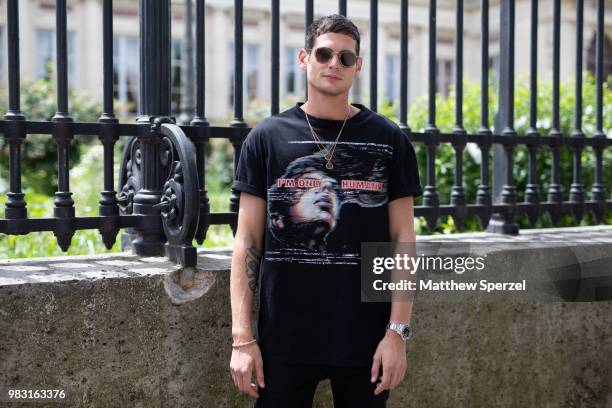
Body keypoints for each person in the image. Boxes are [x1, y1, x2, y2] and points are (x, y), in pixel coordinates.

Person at [229, 13, 422, 408]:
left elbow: (403, 239)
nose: (334, 64)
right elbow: (247, 240)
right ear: (304, 58)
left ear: (358, 67)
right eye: (324, 53)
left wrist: (397, 333)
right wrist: (242, 339)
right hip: (283, 340)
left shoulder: (389, 140)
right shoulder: (267, 138)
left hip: (366, 341)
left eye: (346, 58)